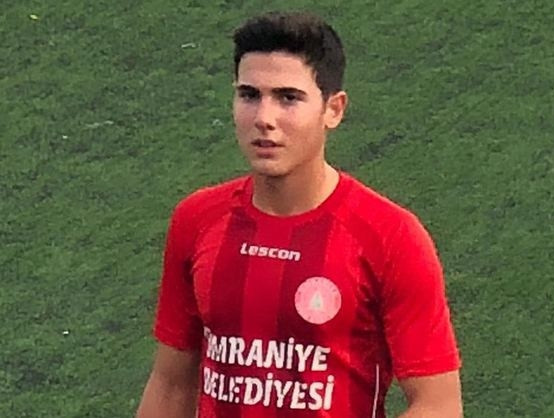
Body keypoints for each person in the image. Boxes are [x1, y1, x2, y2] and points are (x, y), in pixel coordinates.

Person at [136, 11, 462, 418]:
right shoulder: (197, 220)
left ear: (334, 110)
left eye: (288, 98)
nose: (264, 119)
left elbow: (438, 405)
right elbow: (170, 384)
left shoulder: (390, 236)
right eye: (249, 95)